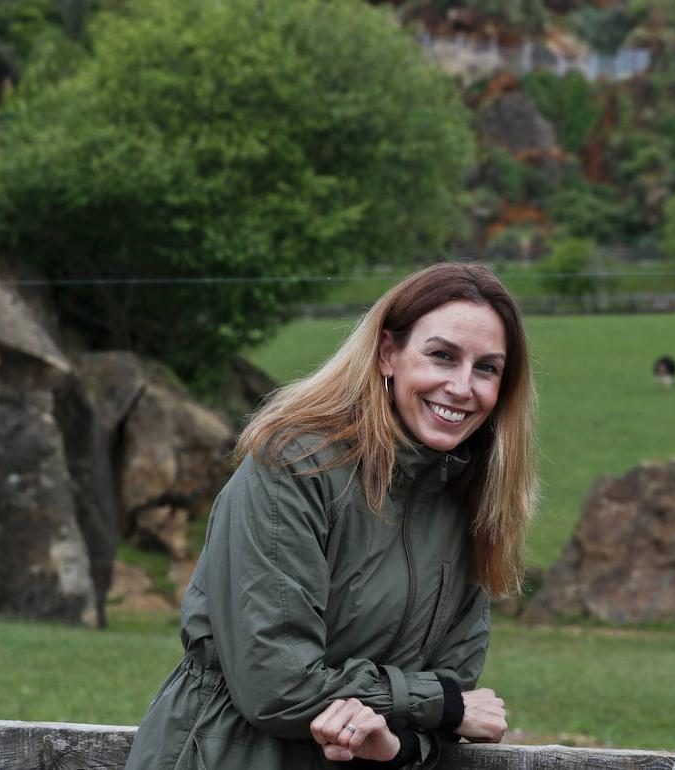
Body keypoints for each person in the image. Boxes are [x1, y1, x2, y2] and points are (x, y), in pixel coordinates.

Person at [125, 262, 539, 769]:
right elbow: (275, 685)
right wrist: (439, 705)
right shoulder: (295, 466)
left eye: (487, 368)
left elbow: (449, 705)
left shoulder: (473, 505)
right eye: (441, 356)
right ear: (388, 354)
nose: (461, 386)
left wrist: (394, 744)